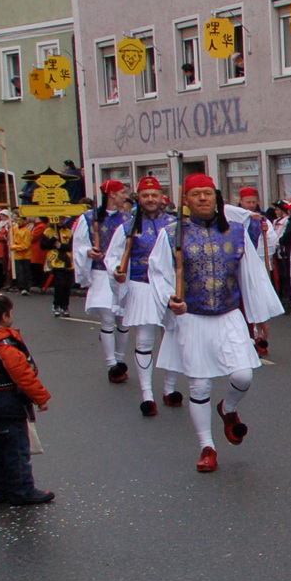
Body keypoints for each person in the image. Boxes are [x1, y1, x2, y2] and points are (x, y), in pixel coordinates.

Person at [150, 176, 282, 473]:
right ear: (186, 200)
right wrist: (171, 299)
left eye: (207, 193)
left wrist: (258, 316)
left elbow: (251, 274)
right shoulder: (172, 234)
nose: (202, 199)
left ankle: (229, 408)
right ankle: (207, 446)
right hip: (192, 317)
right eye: (195, 194)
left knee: (243, 375)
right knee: (198, 384)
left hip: (229, 315)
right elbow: (158, 272)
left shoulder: (235, 232)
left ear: (216, 196)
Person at [105, 177, 177, 416]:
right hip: (142, 285)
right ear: (139, 197)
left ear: (161, 197)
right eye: (145, 195)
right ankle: (147, 393)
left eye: (154, 195)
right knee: (144, 340)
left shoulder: (175, 225)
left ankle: (170, 388)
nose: (150, 199)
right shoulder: (127, 226)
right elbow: (113, 256)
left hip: (169, 287)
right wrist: (116, 271)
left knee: (172, 337)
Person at [0, 293, 53, 505]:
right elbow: (22, 374)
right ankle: (22, 490)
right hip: (6, 404)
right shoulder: (4, 344)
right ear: (4, 317)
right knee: (15, 450)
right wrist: (40, 398)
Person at [83, 181, 133, 378]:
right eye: (121, 193)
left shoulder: (128, 219)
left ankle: (120, 358)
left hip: (121, 273)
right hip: (101, 273)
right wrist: (89, 251)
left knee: (123, 319)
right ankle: (111, 363)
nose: (124, 196)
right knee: (107, 318)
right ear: (111, 194)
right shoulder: (90, 218)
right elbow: (79, 243)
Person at [40, 212, 75, 317]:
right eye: (59, 219)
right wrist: (52, 240)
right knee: (59, 285)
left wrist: (62, 246)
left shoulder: (69, 232)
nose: (61, 221)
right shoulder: (48, 231)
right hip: (55, 261)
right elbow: (43, 246)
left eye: (62, 219)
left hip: (67, 261)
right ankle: (56, 305)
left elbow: (72, 246)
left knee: (67, 286)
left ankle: (65, 306)